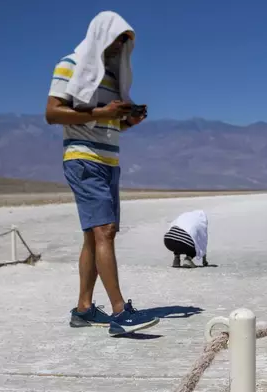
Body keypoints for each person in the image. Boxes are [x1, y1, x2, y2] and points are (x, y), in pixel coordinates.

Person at [44, 10, 158, 336]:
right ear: (101, 37)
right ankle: (121, 313)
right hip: (82, 158)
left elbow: (107, 122)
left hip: (109, 161)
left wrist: (127, 121)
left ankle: (83, 309)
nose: (118, 49)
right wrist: (101, 112)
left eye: (124, 43)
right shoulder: (71, 64)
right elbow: (52, 113)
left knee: (96, 237)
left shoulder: (114, 78)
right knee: (104, 231)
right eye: (115, 42)